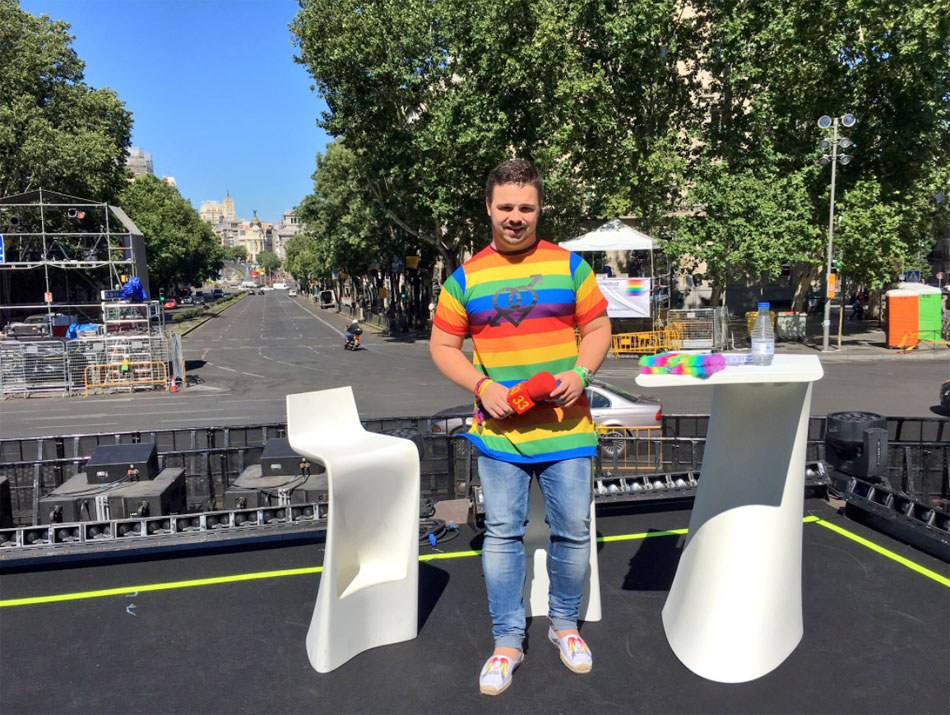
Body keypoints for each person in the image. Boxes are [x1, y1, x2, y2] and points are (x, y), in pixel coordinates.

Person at [429, 159, 612, 696]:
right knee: (502, 536)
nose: (515, 217)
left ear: (539, 209)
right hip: (500, 435)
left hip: (568, 430)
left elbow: (599, 328)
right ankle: (507, 641)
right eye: (505, 207)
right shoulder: (464, 278)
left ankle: (564, 627)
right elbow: (442, 347)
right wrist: (482, 388)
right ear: (488, 207)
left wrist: (582, 372)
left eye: (525, 208)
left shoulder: (570, 266)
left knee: (575, 532)